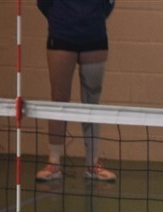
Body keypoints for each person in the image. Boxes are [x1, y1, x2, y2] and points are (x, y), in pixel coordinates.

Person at [35, 0, 117, 182]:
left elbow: (109, 4)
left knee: (92, 102)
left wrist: (92, 16)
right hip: (61, 34)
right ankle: (54, 163)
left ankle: (92, 164)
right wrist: (60, 15)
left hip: (95, 36)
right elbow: (43, 4)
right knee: (58, 100)